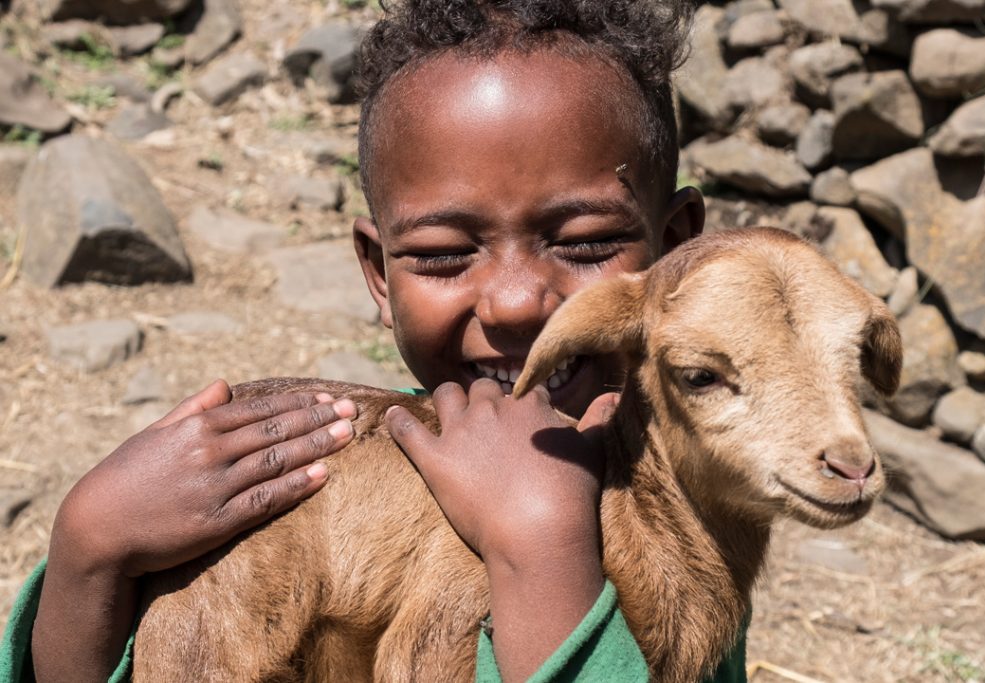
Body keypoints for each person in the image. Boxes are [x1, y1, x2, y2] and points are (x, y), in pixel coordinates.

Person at [1, 1, 749, 681]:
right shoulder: (307, 478)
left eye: (585, 243)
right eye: (444, 255)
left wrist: (543, 550)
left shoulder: (691, 515)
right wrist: (89, 552)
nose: (518, 302)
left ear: (678, 251)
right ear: (379, 273)